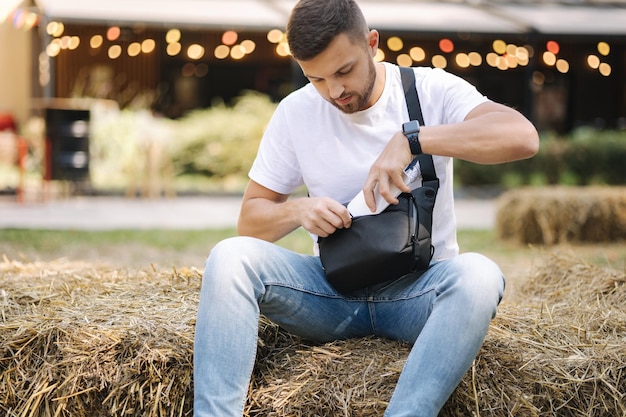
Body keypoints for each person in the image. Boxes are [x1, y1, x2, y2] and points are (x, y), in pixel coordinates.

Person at [193, 0, 539, 416]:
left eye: (344, 71)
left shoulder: (428, 89)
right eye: (316, 78)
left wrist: (414, 140)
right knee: (229, 257)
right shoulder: (296, 112)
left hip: (420, 292)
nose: (334, 91)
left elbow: (522, 137)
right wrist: (298, 211)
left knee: (480, 276)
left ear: (372, 43)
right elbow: (250, 223)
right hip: (329, 292)